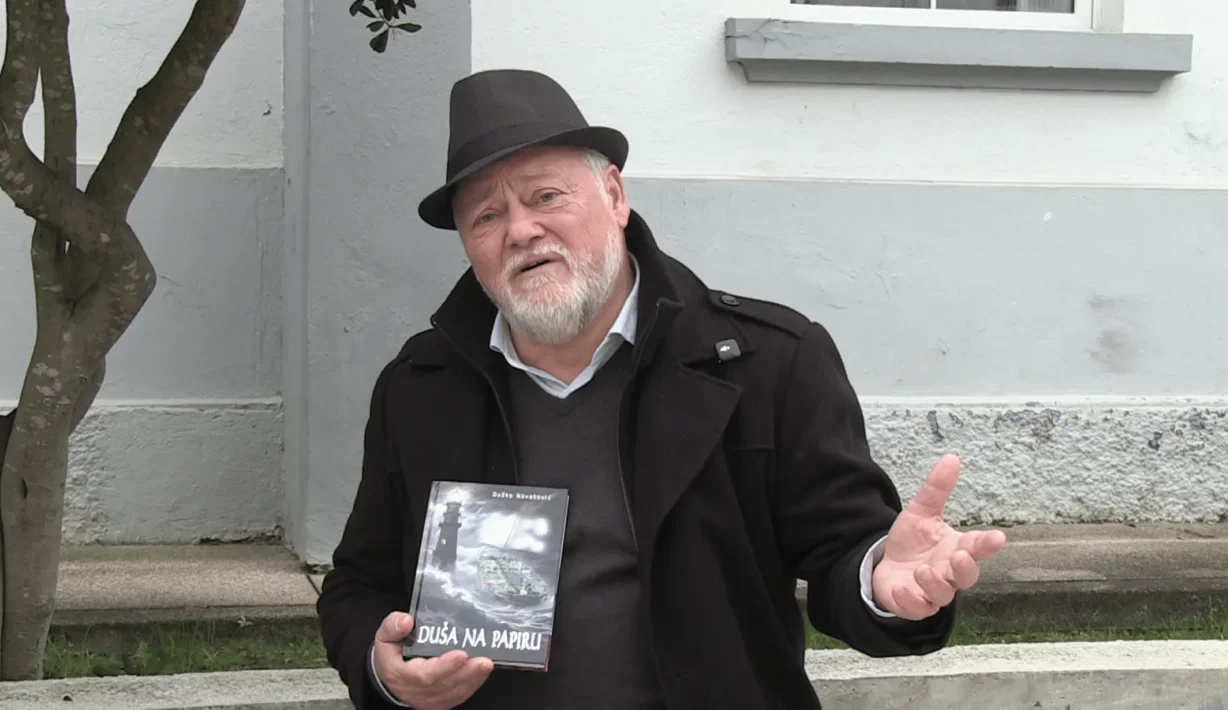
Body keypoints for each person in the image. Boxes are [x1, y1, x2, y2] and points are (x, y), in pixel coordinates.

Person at [316, 69, 1008, 710]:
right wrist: (383, 667)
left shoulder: (765, 364)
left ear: (615, 197)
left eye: (546, 197)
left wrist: (881, 577)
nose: (521, 230)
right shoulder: (422, 386)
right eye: (485, 217)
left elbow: (841, 550)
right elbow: (359, 584)